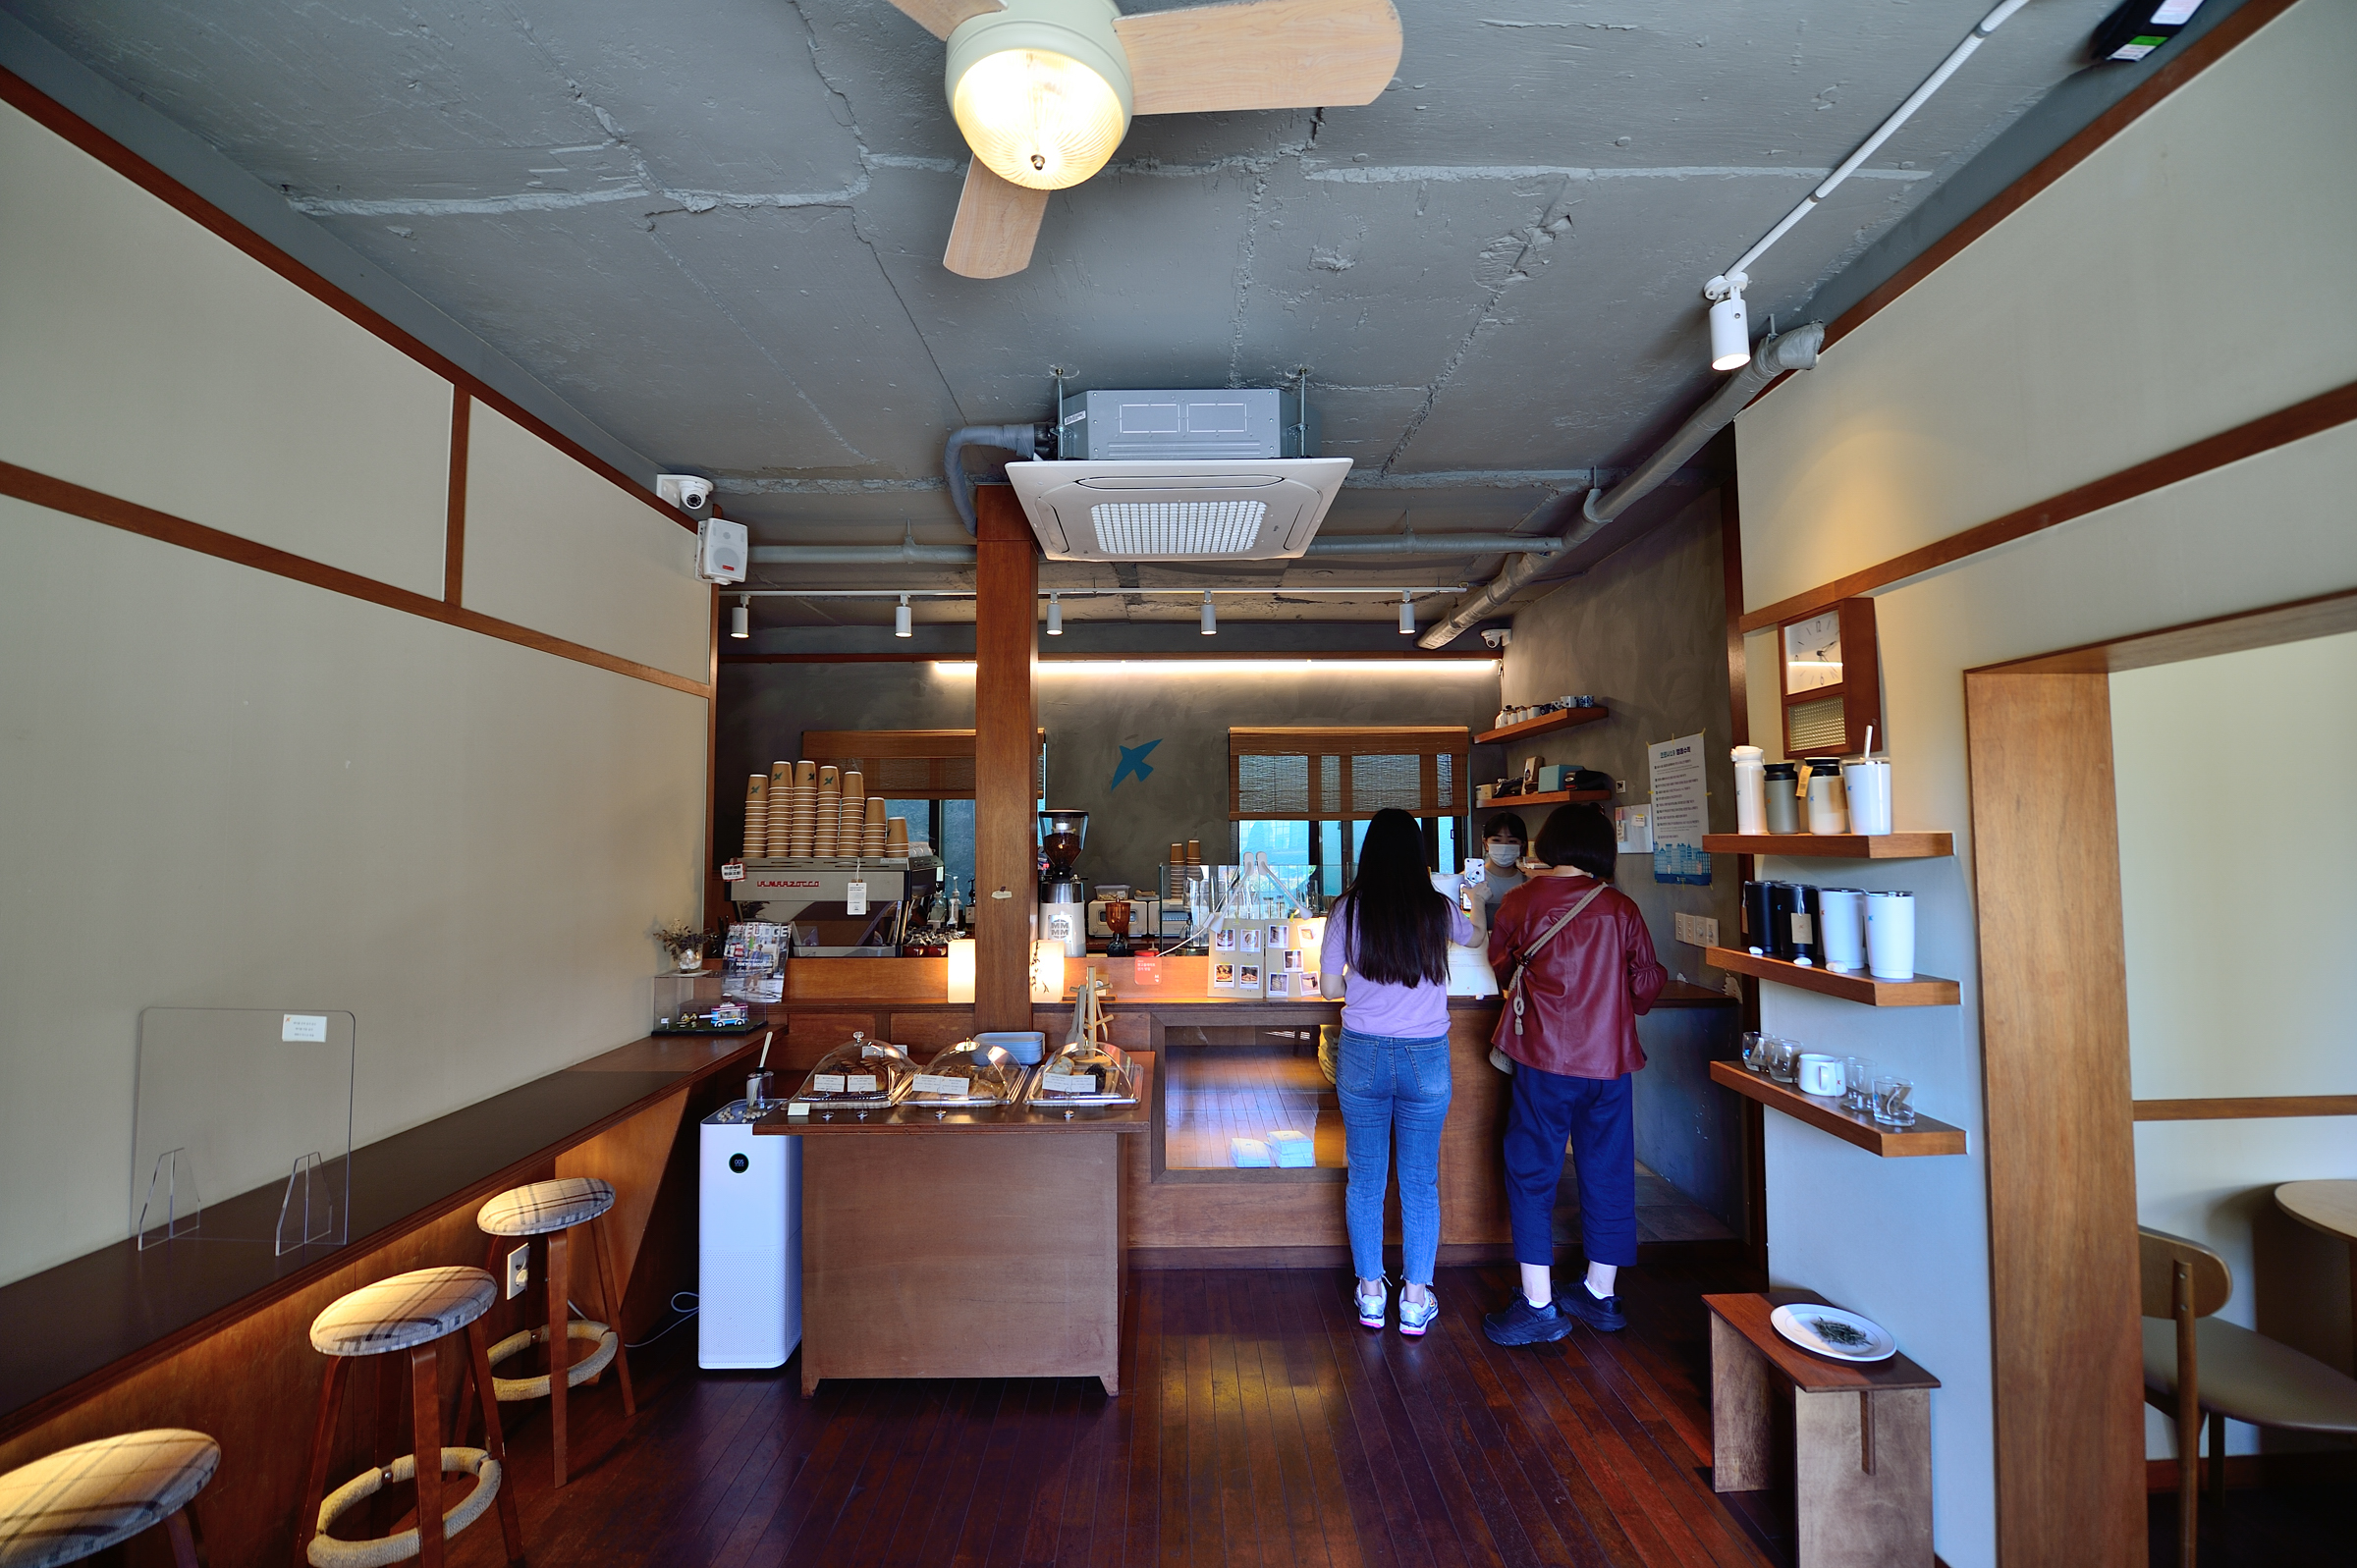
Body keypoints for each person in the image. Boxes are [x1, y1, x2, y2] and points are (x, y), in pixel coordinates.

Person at [1481, 803, 1667, 1344]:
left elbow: (1499, 966)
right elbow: (1646, 987)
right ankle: (1600, 1293)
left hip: (1545, 1059)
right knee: (1609, 1170)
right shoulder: (1621, 907)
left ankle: (1538, 1304)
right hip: (1610, 1062)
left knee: (1532, 1169)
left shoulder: (1521, 901)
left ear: (1547, 843)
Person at [1319, 807, 1479, 1336]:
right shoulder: (1437, 909)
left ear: (1368, 853)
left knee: (1365, 1178)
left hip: (1362, 1053)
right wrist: (1473, 899)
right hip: (1425, 1056)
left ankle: (1371, 1295)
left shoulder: (1348, 908)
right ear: (1417, 855)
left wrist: (1363, 986)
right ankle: (1414, 1299)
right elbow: (1477, 938)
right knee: (1419, 1180)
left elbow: (1330, 988)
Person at [1474, 811, 1529, 926]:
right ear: (1486, 843)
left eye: (1512, 841)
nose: (1504, 846)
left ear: (1522, 845)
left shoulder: (1530, 885)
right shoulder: (1469, 881)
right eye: (1496, 840)